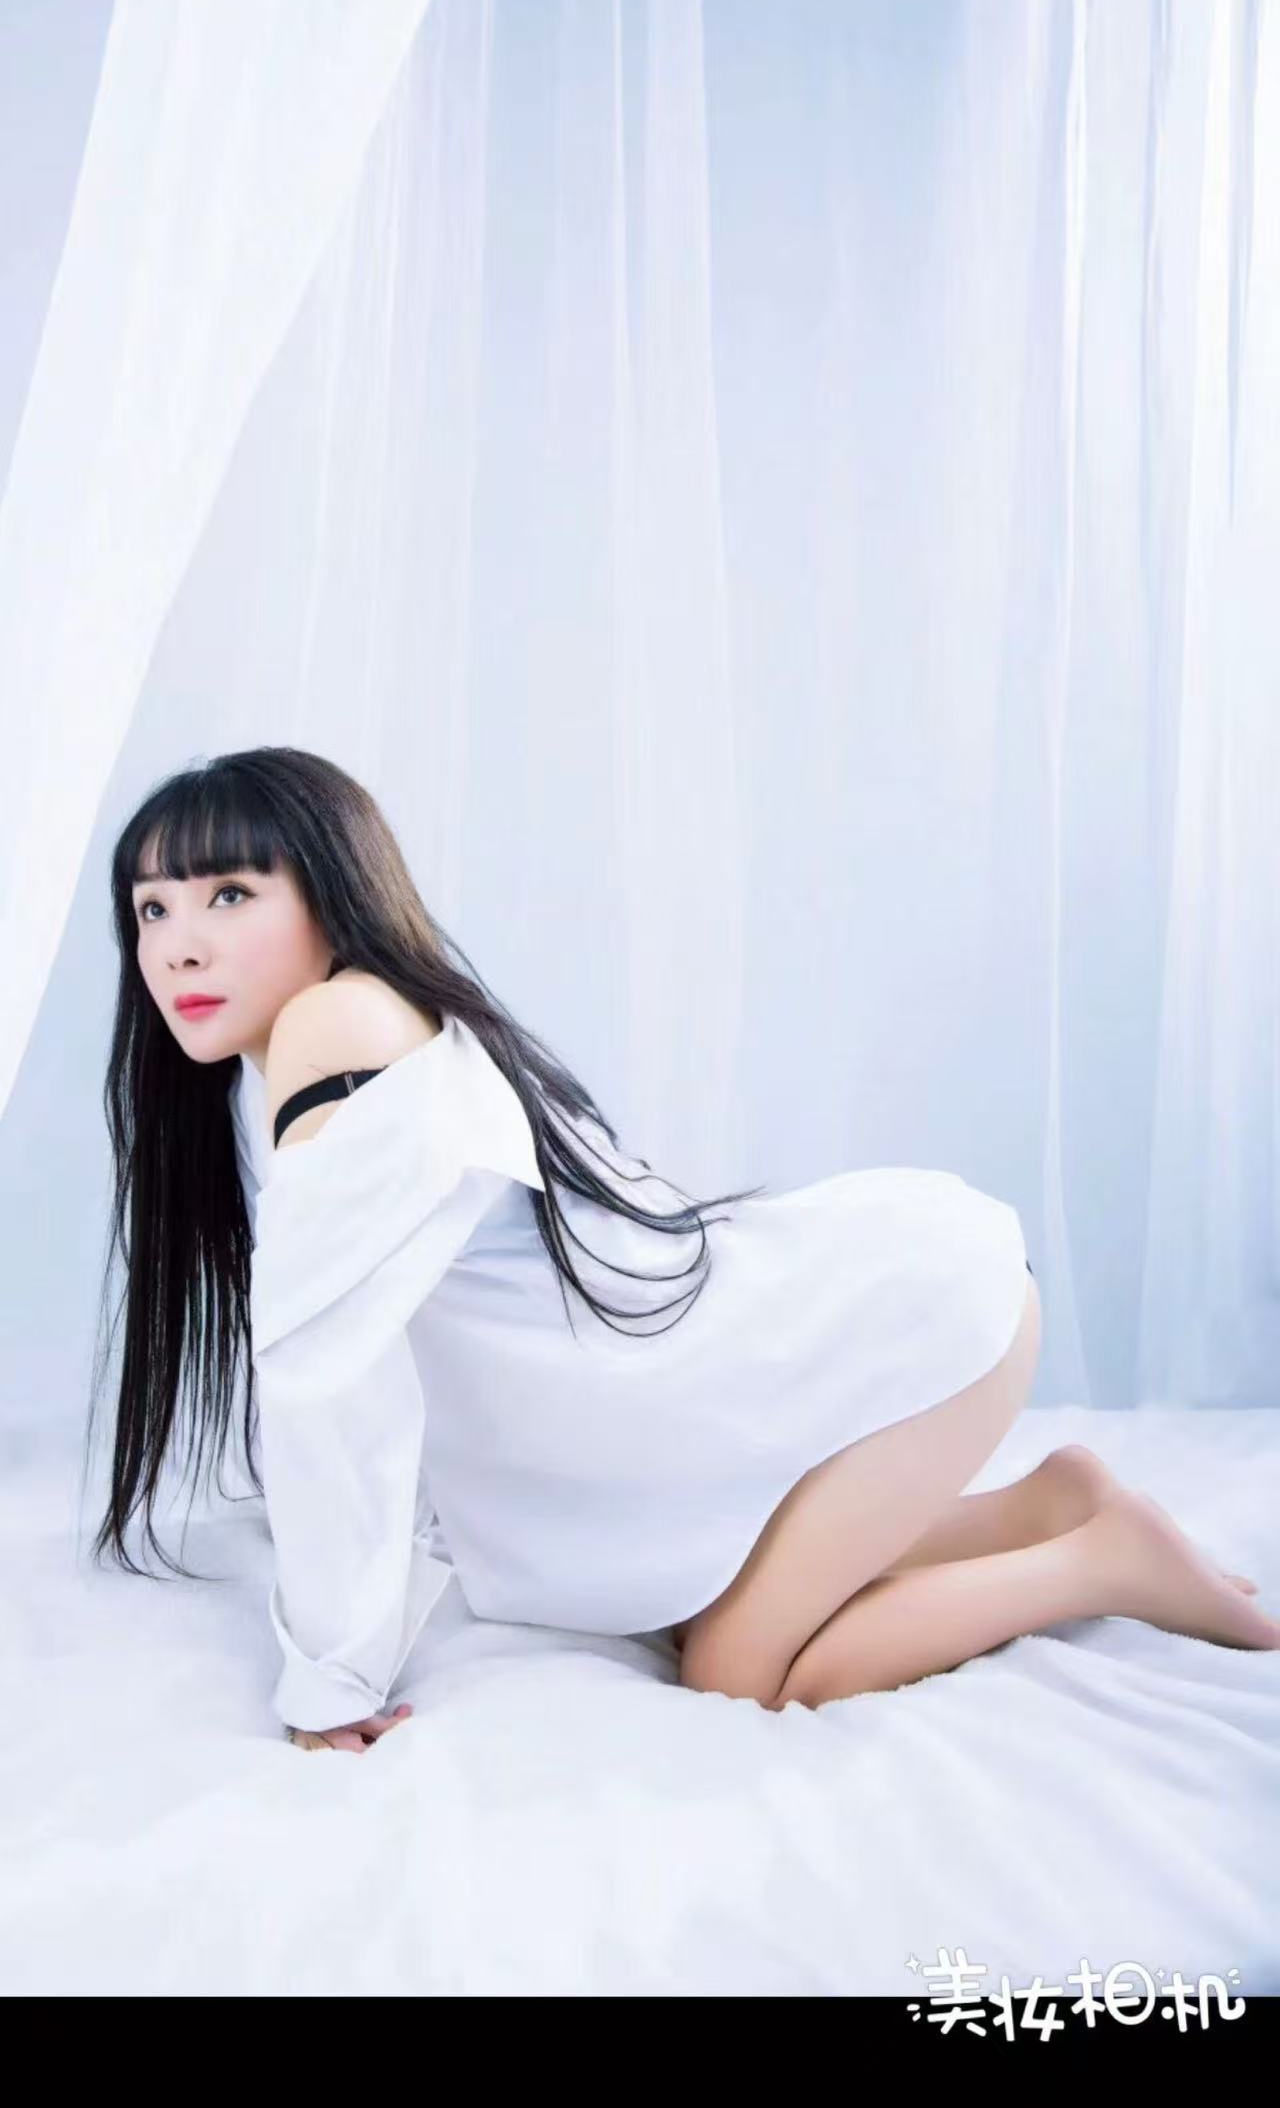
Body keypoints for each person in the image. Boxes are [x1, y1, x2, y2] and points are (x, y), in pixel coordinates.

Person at [83, 749, 1279, 1756]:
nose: (180, 946)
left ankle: (1101, 1561)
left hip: (895, 1320)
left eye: (228, 893)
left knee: (740, 1672)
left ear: (333, 892)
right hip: (761, 1360)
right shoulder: (307, 1057)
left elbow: (330, 1374)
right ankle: (1044, 1504)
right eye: (152, 909)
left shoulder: (336, 1024)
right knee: (698, 1606)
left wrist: (330, 1680)